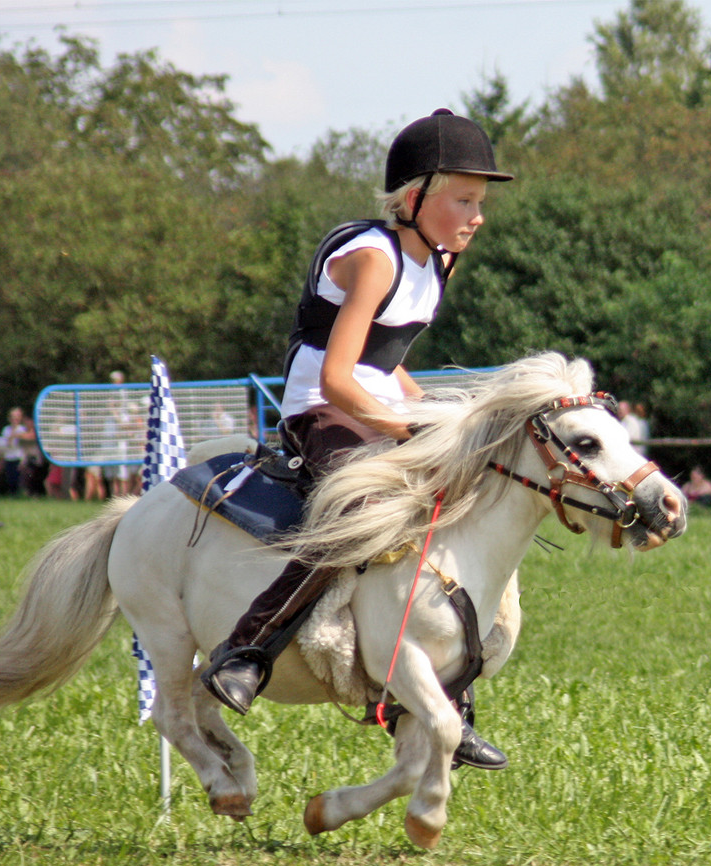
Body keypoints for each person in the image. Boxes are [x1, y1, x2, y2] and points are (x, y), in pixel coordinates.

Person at [201, 109, 514, 770]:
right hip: (321, 409)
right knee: (361, 514)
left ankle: (440, 698)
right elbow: (340, 379)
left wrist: (429, 410)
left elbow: (383, 355)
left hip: (373, 401)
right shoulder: (374, 259)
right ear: (413, 198)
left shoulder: (441, 260)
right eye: (464, 199)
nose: (476, 215)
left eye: (480, 202)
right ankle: (246, 652)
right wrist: (406, 427)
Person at [0, 407, 35, 495]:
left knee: (19, 479)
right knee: (10, 479)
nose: (15, 419)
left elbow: (28, 439)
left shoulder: (22, 429)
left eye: (17, 417)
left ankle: (21, 494)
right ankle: (12, 494)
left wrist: (17, 434)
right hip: (8, 458)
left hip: (19, 458)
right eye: (13, 417)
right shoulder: (6, 430)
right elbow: (6, 444)